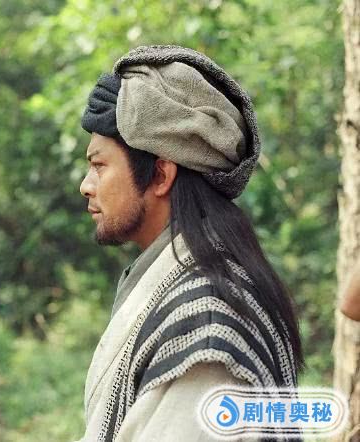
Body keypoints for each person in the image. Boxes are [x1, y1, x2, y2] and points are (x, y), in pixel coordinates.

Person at [77, 45, 302, 441]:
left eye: (99, 165)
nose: (86, 185)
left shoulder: (206, 325)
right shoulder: (200, 284)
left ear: (161, 175)